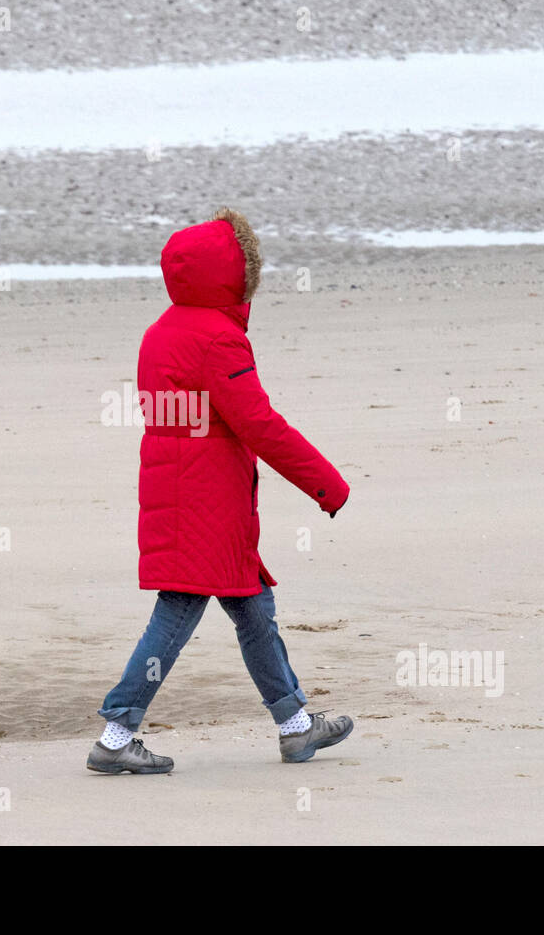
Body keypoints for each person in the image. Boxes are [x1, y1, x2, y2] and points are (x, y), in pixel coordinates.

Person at [88, 209, 352, 773]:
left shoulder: (160, 331)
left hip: (182, 488)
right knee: (179, 609)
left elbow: (178, 416)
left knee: (254, 607)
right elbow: (260, 425)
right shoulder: (219, 341)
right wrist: (326, 484)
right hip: (207, 500)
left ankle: (295, 725)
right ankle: (115, 734)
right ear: (233, 276)